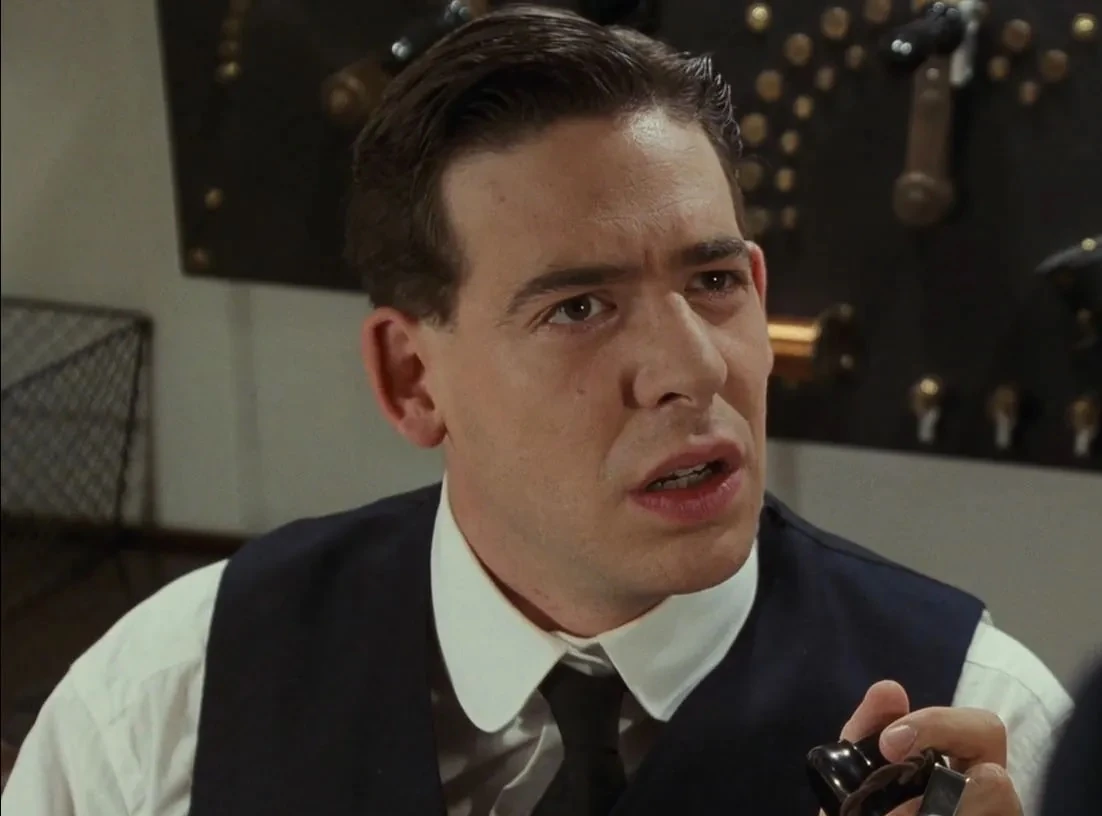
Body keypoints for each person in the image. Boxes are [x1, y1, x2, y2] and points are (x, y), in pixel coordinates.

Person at [2, 6, 1073, 815]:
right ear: (412, 378)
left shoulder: (995, 723)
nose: (692, 367)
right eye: (578, 307)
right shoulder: (169, 704)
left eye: (712, 283)